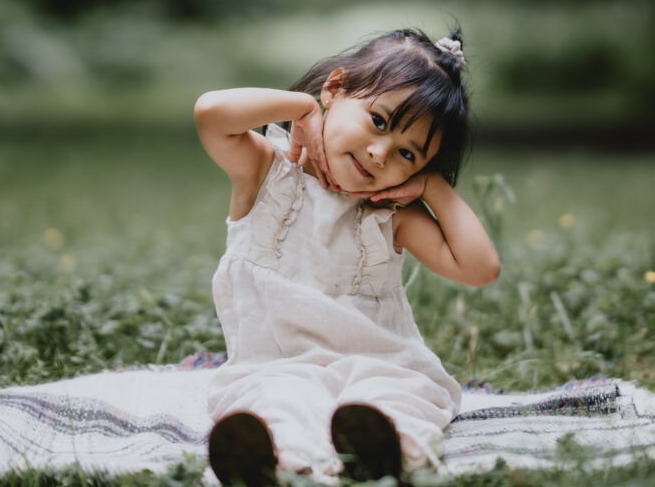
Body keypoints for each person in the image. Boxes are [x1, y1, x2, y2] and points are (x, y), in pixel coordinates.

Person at [193, 28, 499, 485]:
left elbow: (480, 268)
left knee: (393, 403)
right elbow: (210, 112)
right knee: (276, 406)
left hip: (382, 367)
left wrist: (432, 187)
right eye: (379, 121)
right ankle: (274, 465)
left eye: (407, 153)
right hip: (277, 368)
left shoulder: (390, 213)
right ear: (334, 90)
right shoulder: (267, 172)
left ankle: (381, 456)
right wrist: (300, 107)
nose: (379, 154)